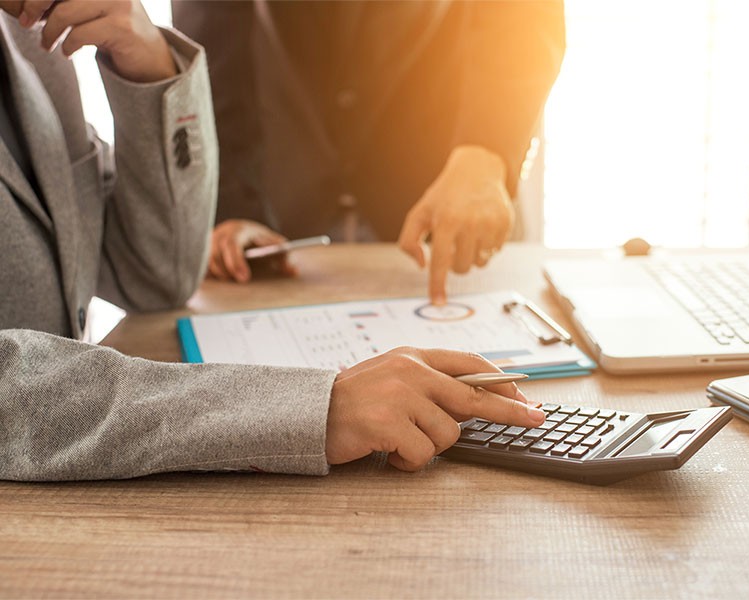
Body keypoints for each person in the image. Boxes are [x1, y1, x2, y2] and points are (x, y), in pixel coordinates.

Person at [0, 0, 545, 481]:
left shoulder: (34, 42)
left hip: (423, 152)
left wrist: (151, 72)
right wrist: (312, 408)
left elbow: (156, 276)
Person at [172, 0, 566, 303]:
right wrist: (230, 202)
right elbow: (211, 32)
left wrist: (487, 151)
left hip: (450, 189)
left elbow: (522, 14)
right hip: (280, 206)